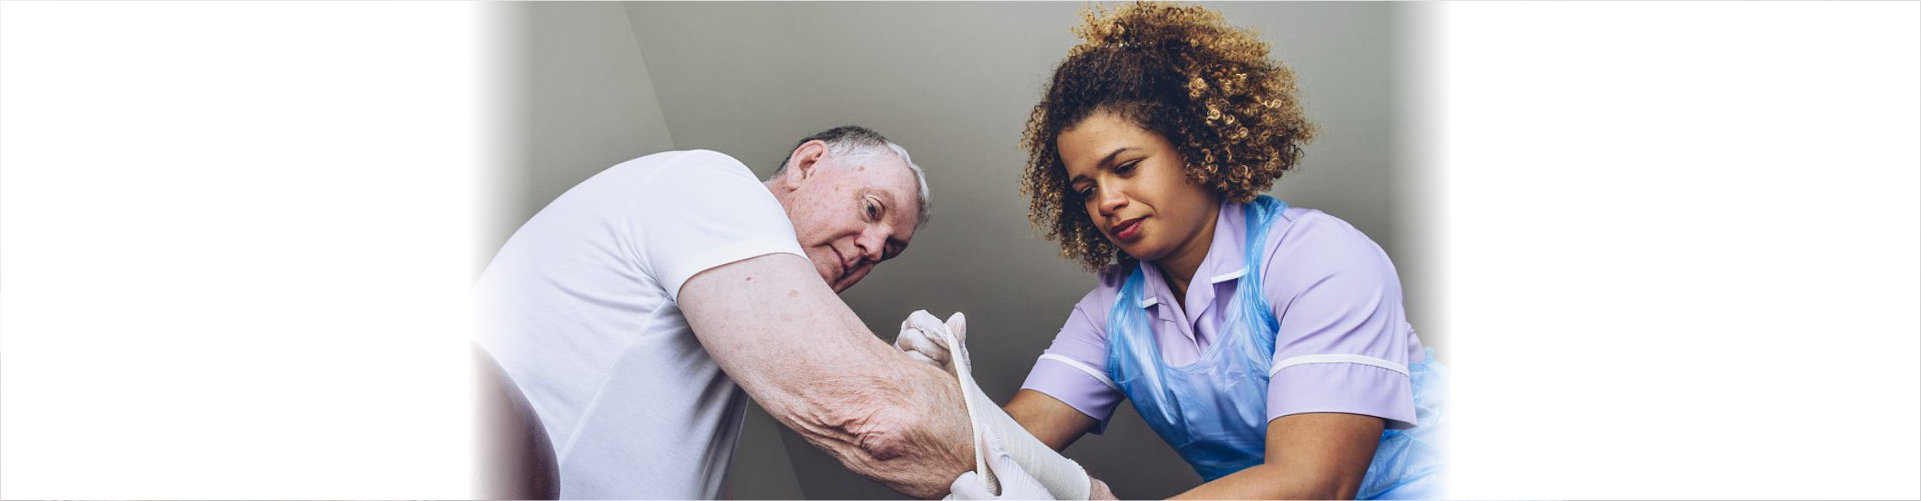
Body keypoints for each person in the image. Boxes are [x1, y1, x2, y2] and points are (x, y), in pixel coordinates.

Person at [898, 3, 1447, 499]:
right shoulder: (1112, 314)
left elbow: (1314, 483)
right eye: (1086, 189)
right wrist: (952, 399)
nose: (1107, 201)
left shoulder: (1321, 259)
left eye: (1126, 167)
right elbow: (1010, 446)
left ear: (1195, 145)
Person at [473, 126, 991, 499]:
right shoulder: (713, 184)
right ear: (807, 164)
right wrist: (940, 399)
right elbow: (880, 418)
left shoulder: (731, 325)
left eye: (891, 249)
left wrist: (918, 389)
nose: (874, 248)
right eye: (872, 210)